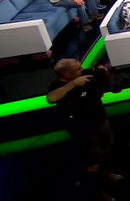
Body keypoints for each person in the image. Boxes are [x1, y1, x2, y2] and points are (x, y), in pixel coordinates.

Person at [46, 59, 121, 198]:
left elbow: (113, 87)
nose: (82, 70)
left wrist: (104, 73)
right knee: (92, 161)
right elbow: (51, 98)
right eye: (78, 69)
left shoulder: (85, 74)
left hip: (100, 121)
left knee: (105, 150)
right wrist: (74, 84)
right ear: (67, 74)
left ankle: (106, 175)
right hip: (84, 129)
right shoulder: (57, 86)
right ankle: (98, 192)